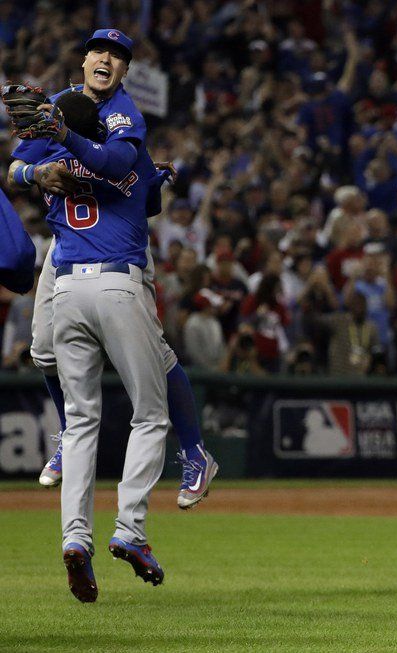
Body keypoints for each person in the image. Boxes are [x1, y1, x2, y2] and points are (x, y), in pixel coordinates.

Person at [2, 28, 203, 602]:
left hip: (65, 284)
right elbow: (38, 165)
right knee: (149, 413)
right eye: (99, 50)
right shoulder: (122, 147)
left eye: (117, 55)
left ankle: (74, 539)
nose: (106, 58)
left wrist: (46, 160)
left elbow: (53, 156)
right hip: (114, 283)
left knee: (83, 420)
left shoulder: (99, 129)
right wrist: (33, 169)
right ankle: (132, 528)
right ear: (85, 60)